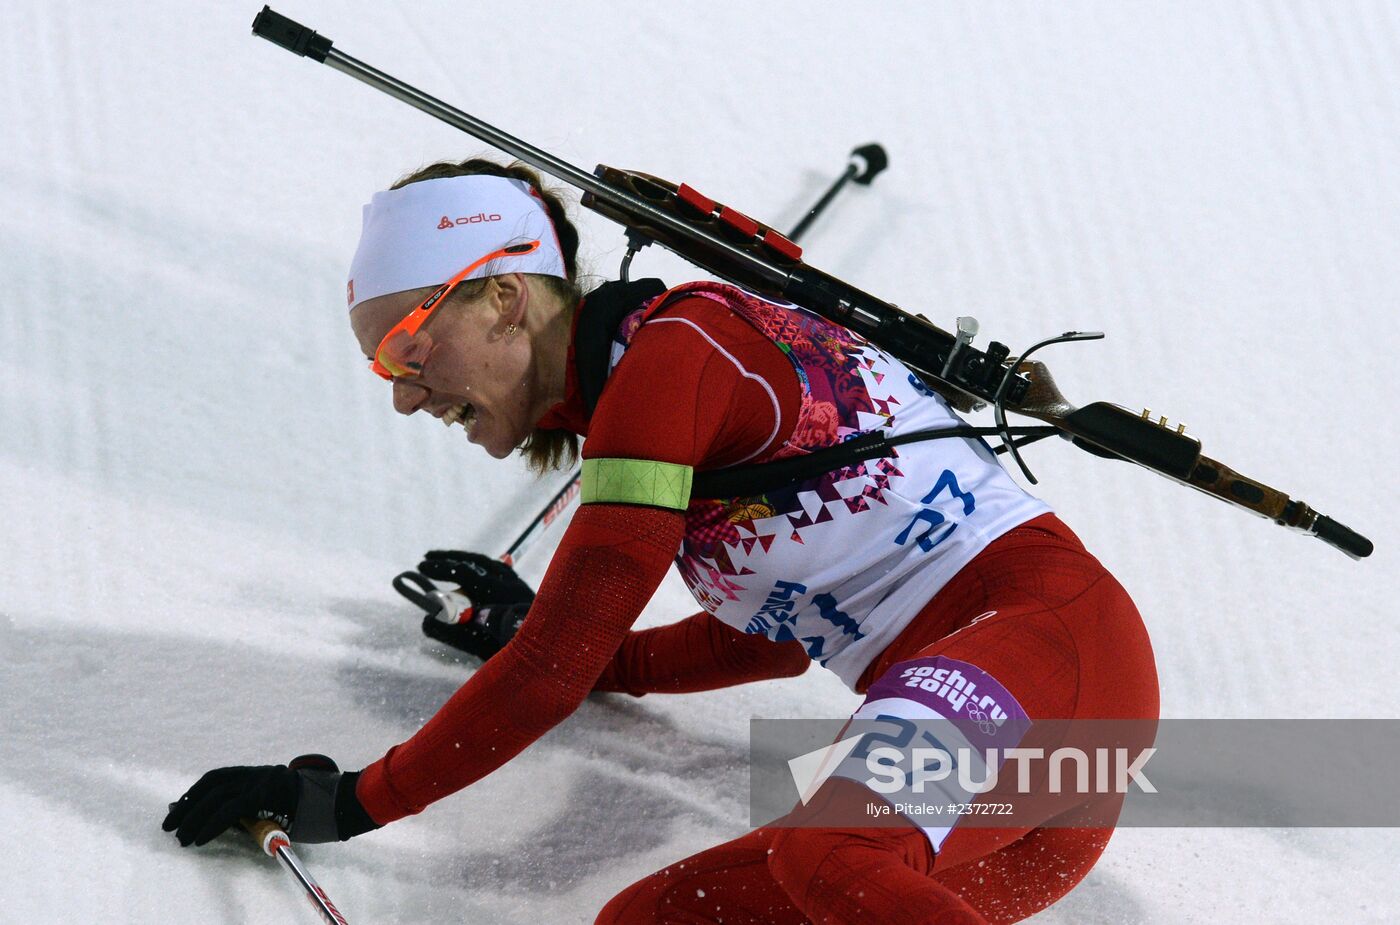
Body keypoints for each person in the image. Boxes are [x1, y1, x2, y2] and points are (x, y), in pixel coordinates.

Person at [163, 158, 1159, 924]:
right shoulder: (656, 409)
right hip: (1024, 787)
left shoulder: (674, 355)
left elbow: (556, 665)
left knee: (829, 858)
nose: (401, 391)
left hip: (1048, 654)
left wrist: (348, 803)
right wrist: (573, 643)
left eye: (405, 344)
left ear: (502, 296)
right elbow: (787, 623)